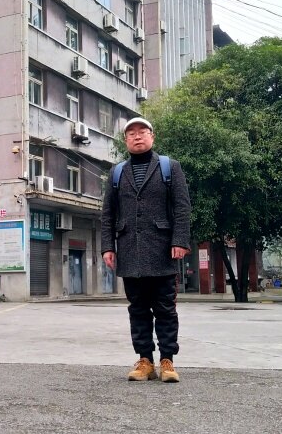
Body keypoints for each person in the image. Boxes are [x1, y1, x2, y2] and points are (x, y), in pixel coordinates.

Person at [101, 116, 191, 383]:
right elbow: (108, 214)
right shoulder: (117, 172)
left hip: (162, 250)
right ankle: (145, 361)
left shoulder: (169, 167)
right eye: (131, 133)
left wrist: (179, 240)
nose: (137, 136)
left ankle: (167, 360)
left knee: (165, 309)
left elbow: (182, 207)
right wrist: (108, 246)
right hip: (130, 251)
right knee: (137, 309)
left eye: (142, 131)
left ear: (152, 136)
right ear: (126, 140)